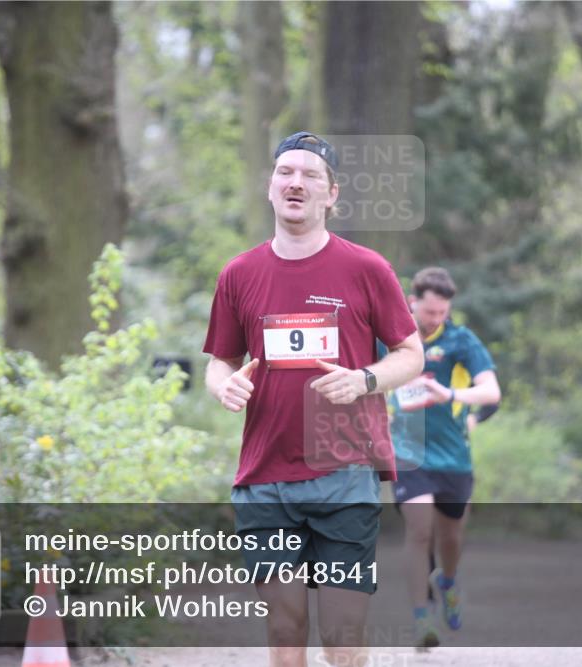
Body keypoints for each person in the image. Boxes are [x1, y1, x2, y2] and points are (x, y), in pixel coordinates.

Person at [203, 131, 423, 667]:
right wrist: (223, 384)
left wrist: (364, 380)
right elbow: (220, 360)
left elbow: (410, 353)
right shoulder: (239, 274)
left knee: (343, 634)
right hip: (263, 475)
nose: (295, 182)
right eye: (285, 172)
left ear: (332, 194)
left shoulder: (366, 268)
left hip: (343, 470)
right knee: (284, 627)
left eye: (310, 175)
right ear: (270, 187)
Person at [384, 267, 501, 650]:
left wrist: (448, 395)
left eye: (442, 313)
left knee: (451, 537)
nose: (436, 320)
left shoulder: (460, 340)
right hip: (409, 453)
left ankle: (447, 581)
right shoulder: (390, 337)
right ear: (412, 302)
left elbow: (491, 392)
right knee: (418, 532)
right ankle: (421, 621)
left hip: (453, 456)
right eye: (430, 313)